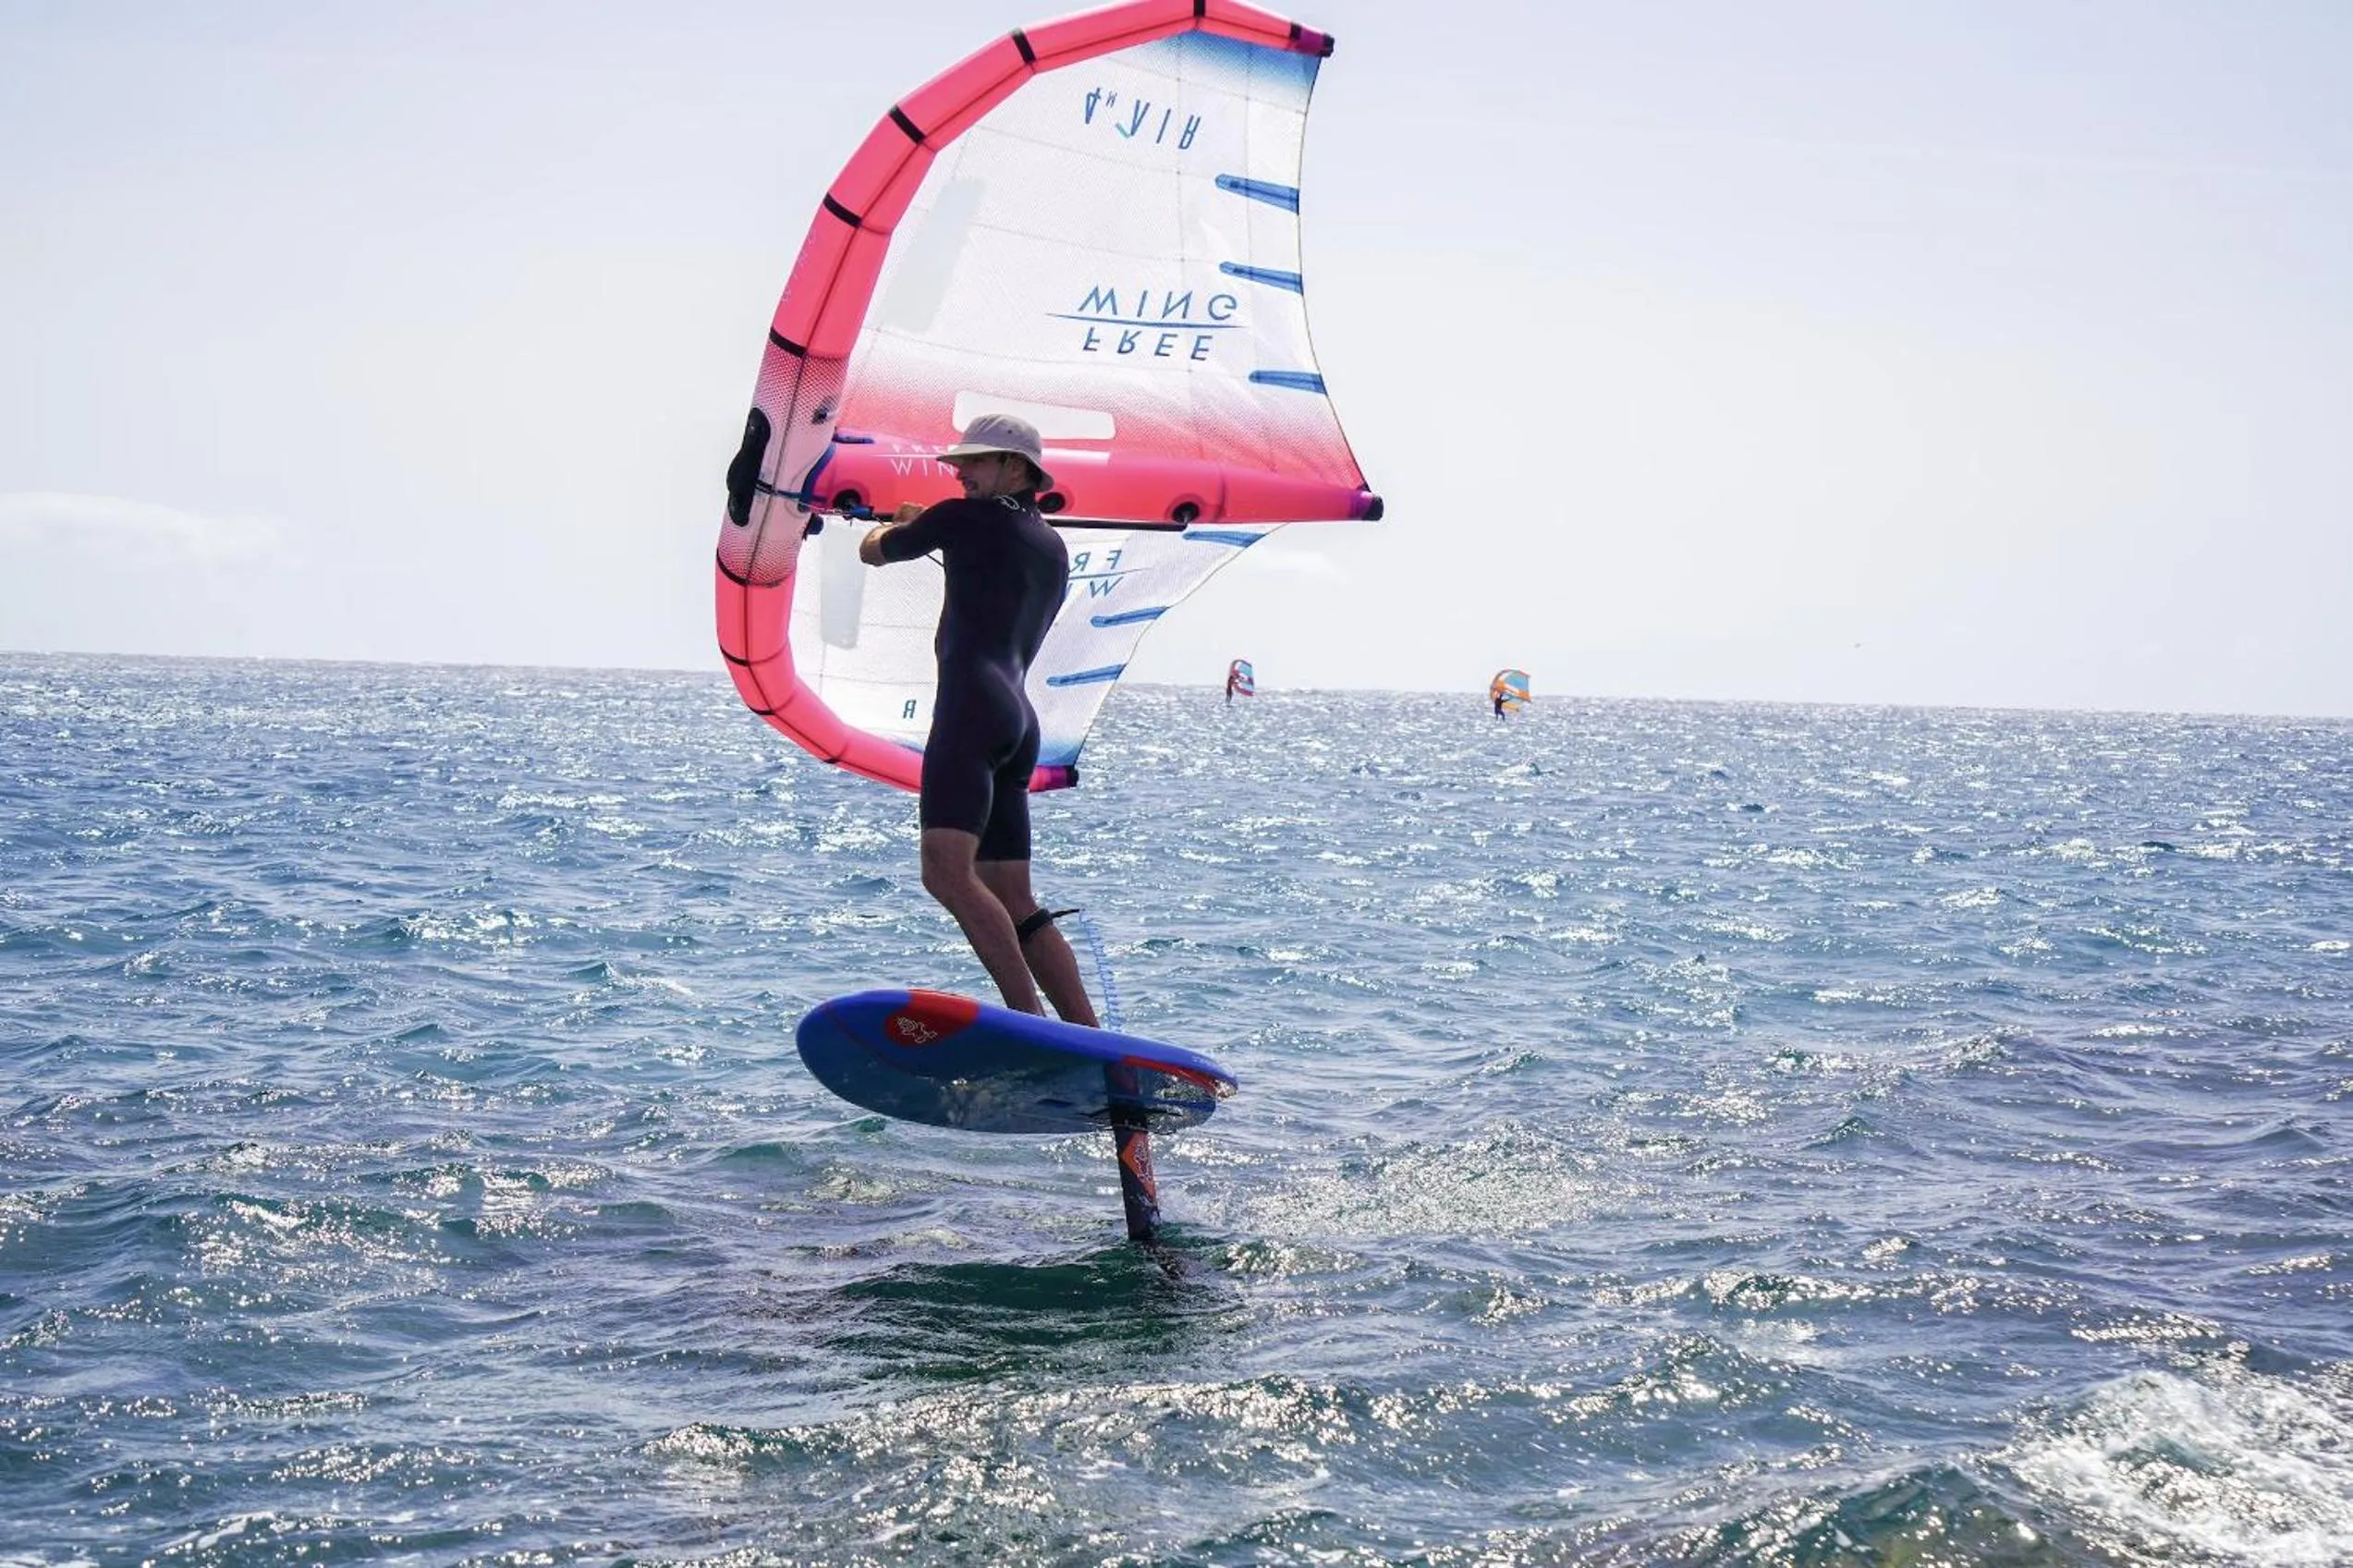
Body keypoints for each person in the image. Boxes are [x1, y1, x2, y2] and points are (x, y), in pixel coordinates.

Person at [858, 414, 1097, 1026]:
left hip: (971, 710)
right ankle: (1090, 1038)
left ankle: (1029, 1023)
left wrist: (908, 522)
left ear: (1015, 467)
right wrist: (933, 523)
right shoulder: (1053, 547)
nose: (959, 472)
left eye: (975, 462)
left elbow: (874, 552)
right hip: (1018, 723)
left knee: (946, 872)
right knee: (1014, 895)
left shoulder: (961, 519)